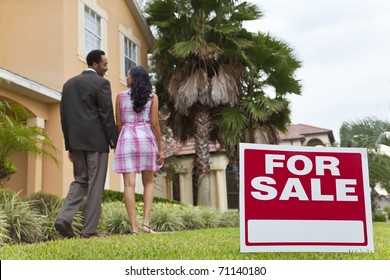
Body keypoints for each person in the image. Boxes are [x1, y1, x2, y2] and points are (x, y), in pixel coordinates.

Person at [55, 49, 118, 238]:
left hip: (76, 143)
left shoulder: (68, 85)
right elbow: (106, 115)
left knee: (80, 180)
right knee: (95, 184)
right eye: (105, 65)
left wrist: (69, 145)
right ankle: (89, 230)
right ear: (95, 64)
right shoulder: (102, 83)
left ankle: (64, 218)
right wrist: (114, 141)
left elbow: (64, 117)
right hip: (96, 143)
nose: (107, 68)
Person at [113, 66, 163, 234]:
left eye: (127, 76)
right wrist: (160, 149)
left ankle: (134, 228)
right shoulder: (152, 97)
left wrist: (120, 142)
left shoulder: (120, 97)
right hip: (146, 139)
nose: (126, 78)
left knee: (129, 185)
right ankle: (146, 224)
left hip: (126, 139)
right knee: (148, 183)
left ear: (134, 78)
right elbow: (155, 125)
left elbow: (119, 124)